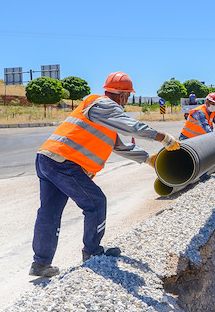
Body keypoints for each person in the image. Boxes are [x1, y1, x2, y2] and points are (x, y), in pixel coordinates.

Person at [29, 71, 181, 277]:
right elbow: (132, 127)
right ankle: (92, 251)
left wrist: (149, 160)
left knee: (50, 212)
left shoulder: (103, 114)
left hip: (47, 159)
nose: (126, 101)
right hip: (64, 162)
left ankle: (40, 263)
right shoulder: (105, 106)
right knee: (96, 202)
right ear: (123, 95)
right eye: (127, 96)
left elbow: (120, 146)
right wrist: (164, 138)